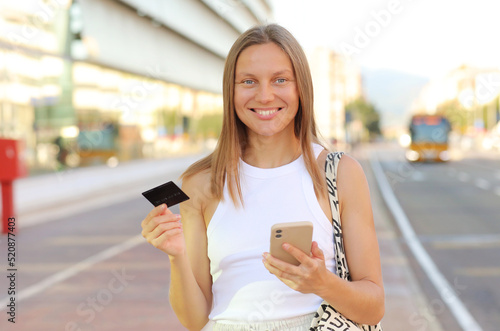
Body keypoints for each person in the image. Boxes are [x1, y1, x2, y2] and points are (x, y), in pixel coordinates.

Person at [141, 23, 384, 330]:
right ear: (231, 90)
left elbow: (374, 307)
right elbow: (194, 320)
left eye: (280, 79)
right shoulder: (200, 183)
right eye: (248, 81)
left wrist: (323, 284)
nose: (265, 95)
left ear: (301, 88)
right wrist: (176, 255)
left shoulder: (340, 173)